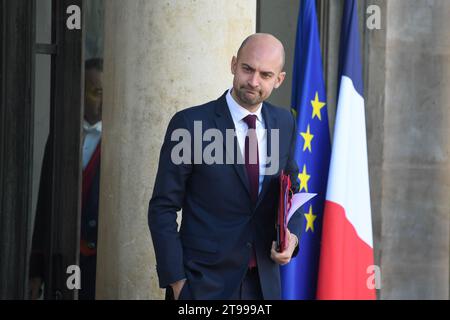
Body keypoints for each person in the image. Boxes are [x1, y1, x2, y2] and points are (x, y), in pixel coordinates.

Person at [148, 33, 301, 300]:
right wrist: (177, 282)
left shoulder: (284, 122)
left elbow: (292, 192)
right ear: (233, 65)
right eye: (247, 69)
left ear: (279, 80)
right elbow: (162, 207)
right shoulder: (190, 124)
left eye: (265, 75)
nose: (253, 81)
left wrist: (293, 238)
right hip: (202, 287)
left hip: (264, 286)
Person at [29, 58, 103, 300]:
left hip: (100, 264)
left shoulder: (120, 141)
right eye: (95, 92)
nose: (102, 100)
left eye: (105, 92)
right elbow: (44, 204)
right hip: (61, 258)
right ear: (81, 93)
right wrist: (36, 269)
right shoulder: (61, 135)